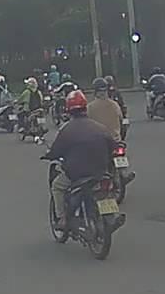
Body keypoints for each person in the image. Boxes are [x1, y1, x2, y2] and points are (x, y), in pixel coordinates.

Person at [41, 90, 117, 229]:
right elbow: (112, 146)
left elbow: (56, 151)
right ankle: (110, 215)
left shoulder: (66, 130)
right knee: (105, 190)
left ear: (69, 110)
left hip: (76, 174)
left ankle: (62, 219)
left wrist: (49, 155)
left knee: (57, 187)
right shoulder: (100, 127)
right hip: (100, 171)